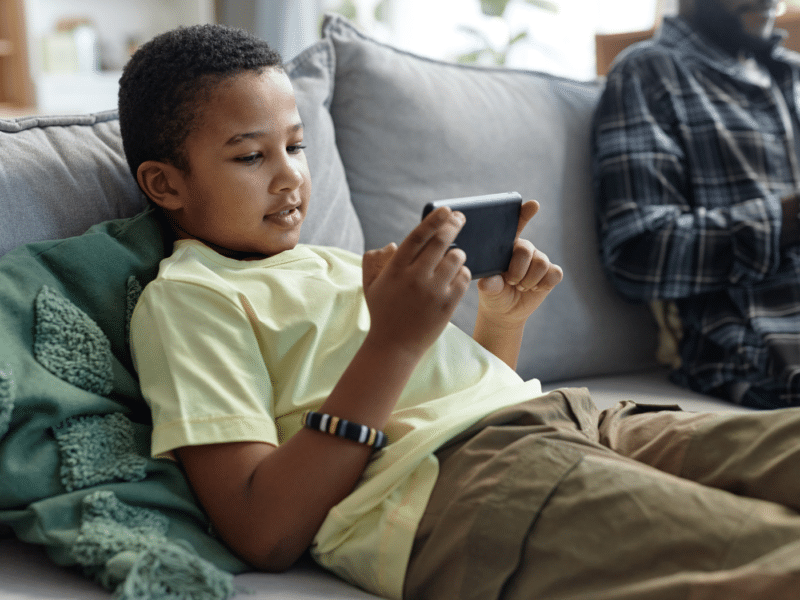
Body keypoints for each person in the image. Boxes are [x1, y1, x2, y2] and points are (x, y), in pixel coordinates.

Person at [126, 23, 800, 600]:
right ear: (165, 183)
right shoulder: (190, 297)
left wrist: (499, 323)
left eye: (295, 147)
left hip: (579, 422)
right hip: (471, 482)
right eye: (250, 155)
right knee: (771, 559)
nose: (291, 177)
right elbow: (263, 527)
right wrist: (392, 341)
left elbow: (448, 399)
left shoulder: (330, 262)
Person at [593, 0, 800, 409]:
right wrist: (789, 217)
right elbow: (638, 254)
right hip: (762, 351)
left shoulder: (789, 74)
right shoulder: (649, 72)